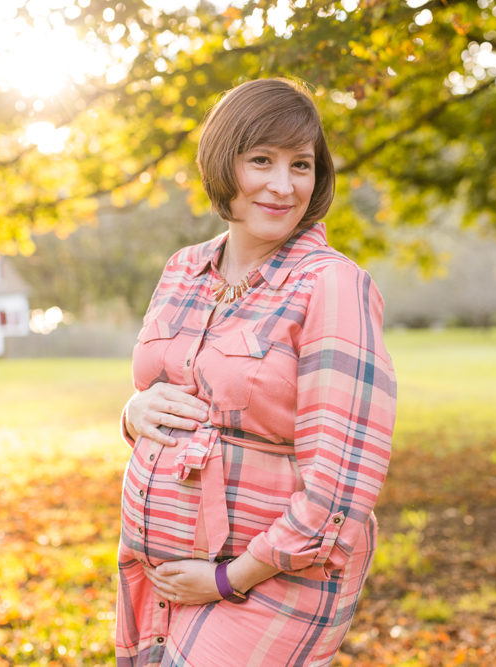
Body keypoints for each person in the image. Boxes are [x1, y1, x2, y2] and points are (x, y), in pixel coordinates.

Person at [116, 78, 397, 666]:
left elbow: (343, 480)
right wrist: (132, 412)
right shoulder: (183, 268)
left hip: (268, 580)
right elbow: (169, 390)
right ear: (224, 164)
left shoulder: (331, 284)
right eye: (261, 160)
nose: (283, 184)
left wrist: (227, 578)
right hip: (158, 578)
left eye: (301, 164)